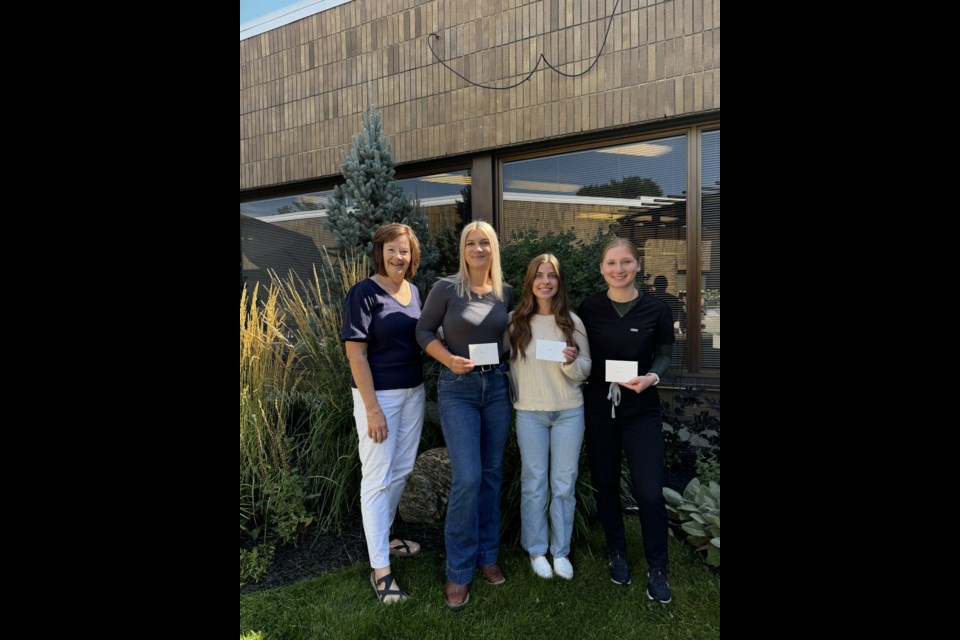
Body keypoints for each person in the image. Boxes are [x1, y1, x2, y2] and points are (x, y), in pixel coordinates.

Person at [415, 220, 514, 609]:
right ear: (463, 249)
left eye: (484, 243)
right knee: (468, 477)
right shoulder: (445, 289)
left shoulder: (504, 292)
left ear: (493, 249)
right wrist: (448, 359)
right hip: (458, 390)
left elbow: (516, 336)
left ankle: (487, 555)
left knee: (491, 474)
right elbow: (423, 332)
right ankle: (458, 570)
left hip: (498, 387)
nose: (478, 249)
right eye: (471, 243)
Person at [577, 238, 675, 604]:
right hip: (600, 408)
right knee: (605, 484)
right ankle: (616, 551)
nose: (618, 270)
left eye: (626, 262)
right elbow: (577, 347)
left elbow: (665, 353)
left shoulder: (656, 308)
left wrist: (653, 377)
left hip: (641, 408)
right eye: (611, 263)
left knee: (649, 491)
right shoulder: (590, 308)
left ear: (637, 265)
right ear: (601, 269)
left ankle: (658, 565)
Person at [341, 223, 426, 604]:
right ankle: (381, 571)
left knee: (403, 469)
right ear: (380, 252)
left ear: (412, 255)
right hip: (379, 398)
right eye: (392, 250)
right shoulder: (364, 292)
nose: (398, 257)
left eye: (404, 251)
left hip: (414, 393)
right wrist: (372, 409)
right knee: (377, 478)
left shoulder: (415, 292)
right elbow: (355, 352)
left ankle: (385, 538)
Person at [507, 254, 591, 581]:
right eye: (539, 275)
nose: (545, 281)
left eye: (551, 276)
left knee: (564, 485)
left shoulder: (572, 322)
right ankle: (536, 550)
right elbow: (491, 350)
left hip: (569, 412)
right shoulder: (515, 323)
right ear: (530, 281)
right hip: (529, 413)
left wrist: (570, 362)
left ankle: (561, 551)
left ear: (559, 282)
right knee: (534, 483)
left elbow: (586, 370)